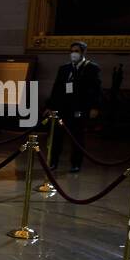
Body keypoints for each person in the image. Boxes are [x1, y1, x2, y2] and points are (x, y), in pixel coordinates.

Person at [46, 40, 101, 173]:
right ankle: (53, 162)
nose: (73, 54)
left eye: (76, 51)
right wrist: (50, 106)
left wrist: (95, 107)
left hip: (79, 108)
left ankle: (76, 164)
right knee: (57, 137)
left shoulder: (91, 68)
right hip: (62, 108)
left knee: (77, 138)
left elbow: (96, 88)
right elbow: (57, 88)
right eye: (71, 51)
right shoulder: (64, 68)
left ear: (83, 52)